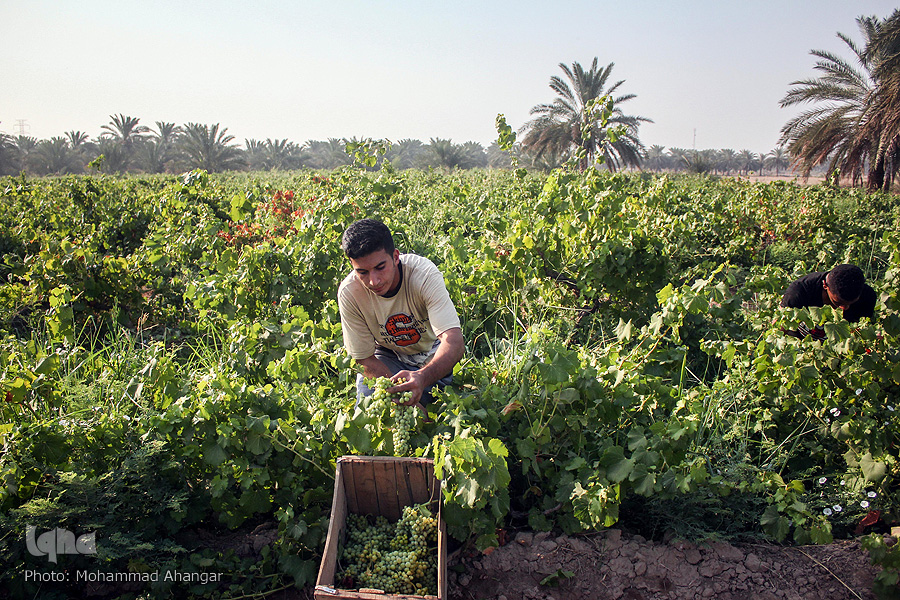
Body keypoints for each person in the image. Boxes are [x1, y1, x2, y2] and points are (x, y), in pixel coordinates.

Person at [337, 218, 464, 410]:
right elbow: (364, 359)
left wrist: (422, 377)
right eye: (362, 272)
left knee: (436, 412)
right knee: (372, 407)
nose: (374, 281)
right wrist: (401, 393)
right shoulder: (350, 293)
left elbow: (454, 342)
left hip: (430, 356)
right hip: (388, 359)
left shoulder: (423, 275)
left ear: (396, 257)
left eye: (380, 267)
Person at [781, 264, 876, 339]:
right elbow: (782, 328)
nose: (844, 308)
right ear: (825, 285)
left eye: (850, 303)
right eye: (838, 303)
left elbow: (861, 332)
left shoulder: (867, 296)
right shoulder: (799, 292)